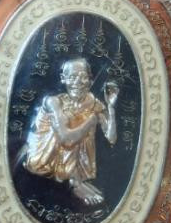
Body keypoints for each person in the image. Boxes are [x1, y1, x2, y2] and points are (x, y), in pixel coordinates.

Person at [25, 58, 118, 206]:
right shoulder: (53, 102)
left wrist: (111, 108)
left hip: (70, 164)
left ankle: (76, 178)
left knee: (84, 119)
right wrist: (91, 121)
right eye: (72, 77)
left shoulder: (94, 103)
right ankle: (75, 182)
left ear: (90, 80)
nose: (78, 82)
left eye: (83, 77)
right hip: (44, 159)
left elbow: (111, 138)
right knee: (71, 122)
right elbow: (66, 139)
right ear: (63, 79)